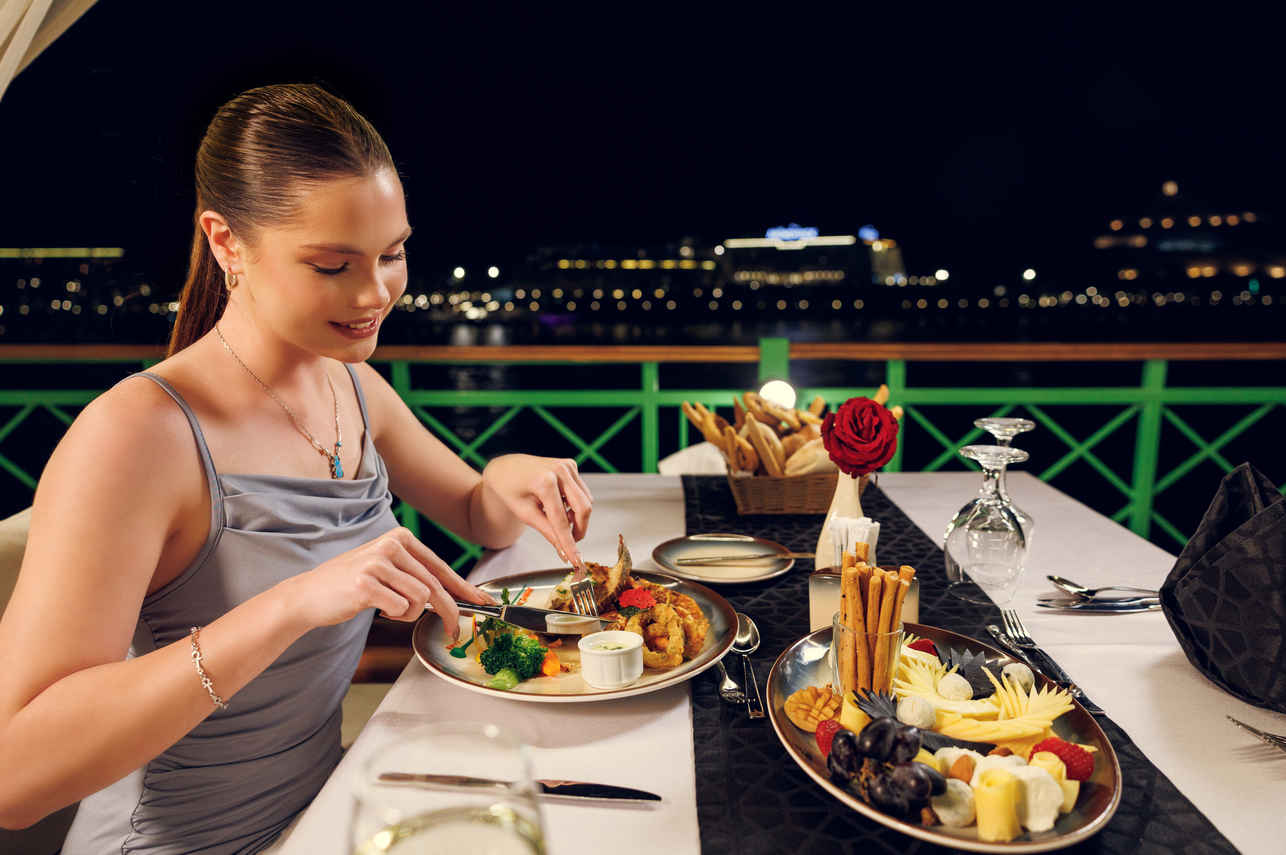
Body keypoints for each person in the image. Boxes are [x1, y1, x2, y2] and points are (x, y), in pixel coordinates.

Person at [0, 83, 593, 854]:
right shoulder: (136, 438)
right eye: (331, 264)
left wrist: (508, 473)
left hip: (323, 818)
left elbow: (478, 513)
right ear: (225, 242)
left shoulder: (351, 384)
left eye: (391, 253)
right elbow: (14, 778)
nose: (375, 291)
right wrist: (291, 603)